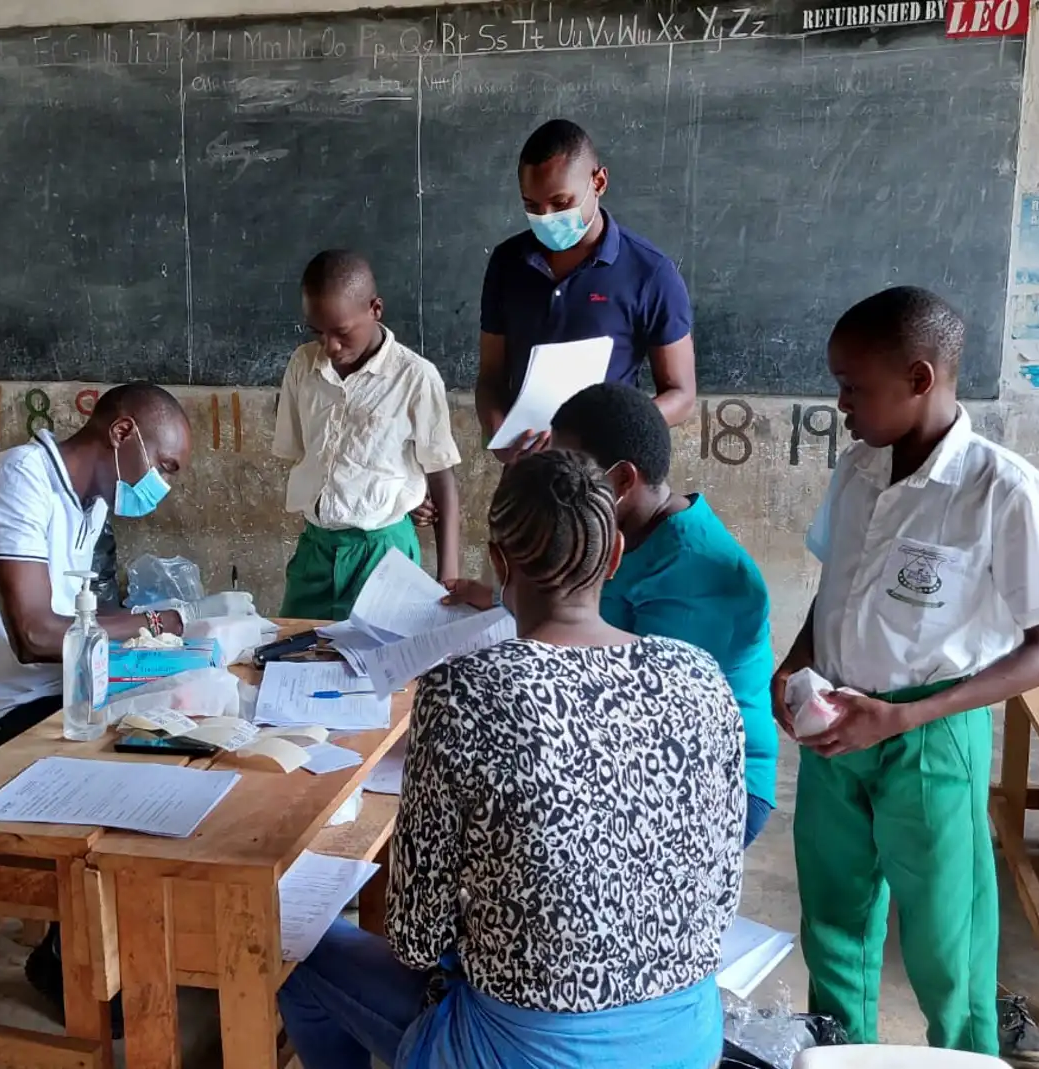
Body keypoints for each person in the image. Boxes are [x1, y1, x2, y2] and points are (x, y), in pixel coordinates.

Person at [278, 450, 745, 1069]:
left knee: (296, 952)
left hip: (519, 1052)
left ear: (499, 564)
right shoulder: (700, 676)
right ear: (613, 557)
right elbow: (721, 890)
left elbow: (417, 939)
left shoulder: (466, 690)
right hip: (685, 1043)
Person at [772, 287, 1039, 1062]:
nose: (839, 402)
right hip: (835, 727)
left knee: (947, 938)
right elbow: (835, 585)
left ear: (919, 377)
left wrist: (906, 716)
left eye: (853, 385)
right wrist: (798, 660)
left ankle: (968, 1057)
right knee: (834, 920)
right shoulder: (857, 468)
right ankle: (840, 1051)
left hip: (930, 735)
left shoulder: (1002, 490)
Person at [0, 381, 192, 1017]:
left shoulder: (90, 503)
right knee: (137, 785)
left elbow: (84, 614)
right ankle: (65, 955)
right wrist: (154, 625)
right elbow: (35, 633)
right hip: (0, 715)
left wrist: (151, 642)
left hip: (61, 697)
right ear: (122, 433)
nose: (163, 485)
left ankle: (149, 936)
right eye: (164, 467)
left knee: (186, 738)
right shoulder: (19, 480)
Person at [443, 381, 778, 848]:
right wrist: (504, 595)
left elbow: (633, 719)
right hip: (633, 750)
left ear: (622, 481)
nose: (561, 485)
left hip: (715, 785)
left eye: (573, 469)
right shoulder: (624, 533)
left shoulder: (699, 577)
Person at [474, 118, 697, 455]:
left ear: (599, 181)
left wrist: (610, 430)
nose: (546, 218)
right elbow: (491, 377)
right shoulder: (508, 263)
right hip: (528, 467)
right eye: (531, 207)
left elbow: (681, 396)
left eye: (561, 203)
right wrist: (497, 431)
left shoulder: (650, 273)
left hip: (606, 472)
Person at [275, 249, 462, 619]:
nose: (329, 347)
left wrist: (448, 575)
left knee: (377, 664)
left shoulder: (415, 378)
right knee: (294, 650)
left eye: (342, 333)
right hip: (316, 548)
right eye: (318, 332)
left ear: (375, 309)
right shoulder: (303, 366)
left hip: (382, 552)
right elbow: (304, 454)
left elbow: (442, 477)